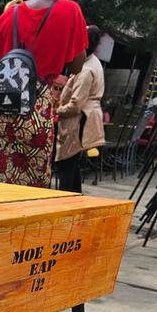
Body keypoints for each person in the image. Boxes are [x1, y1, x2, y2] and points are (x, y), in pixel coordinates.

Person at [0, 0, 87, 187]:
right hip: (36, 114)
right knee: (30, 193)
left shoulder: (11, 14)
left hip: (0, 112)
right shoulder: (70, 10)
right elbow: (77, 66)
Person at [56, 25, 105, 192]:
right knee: (71, 164)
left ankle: (64, 204)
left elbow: (76, 105)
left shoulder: (86, 69)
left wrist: (56, 111)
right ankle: (74, 199)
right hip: (83, 117)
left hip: (78, 119)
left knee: (66, 164)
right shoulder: (91, 62)